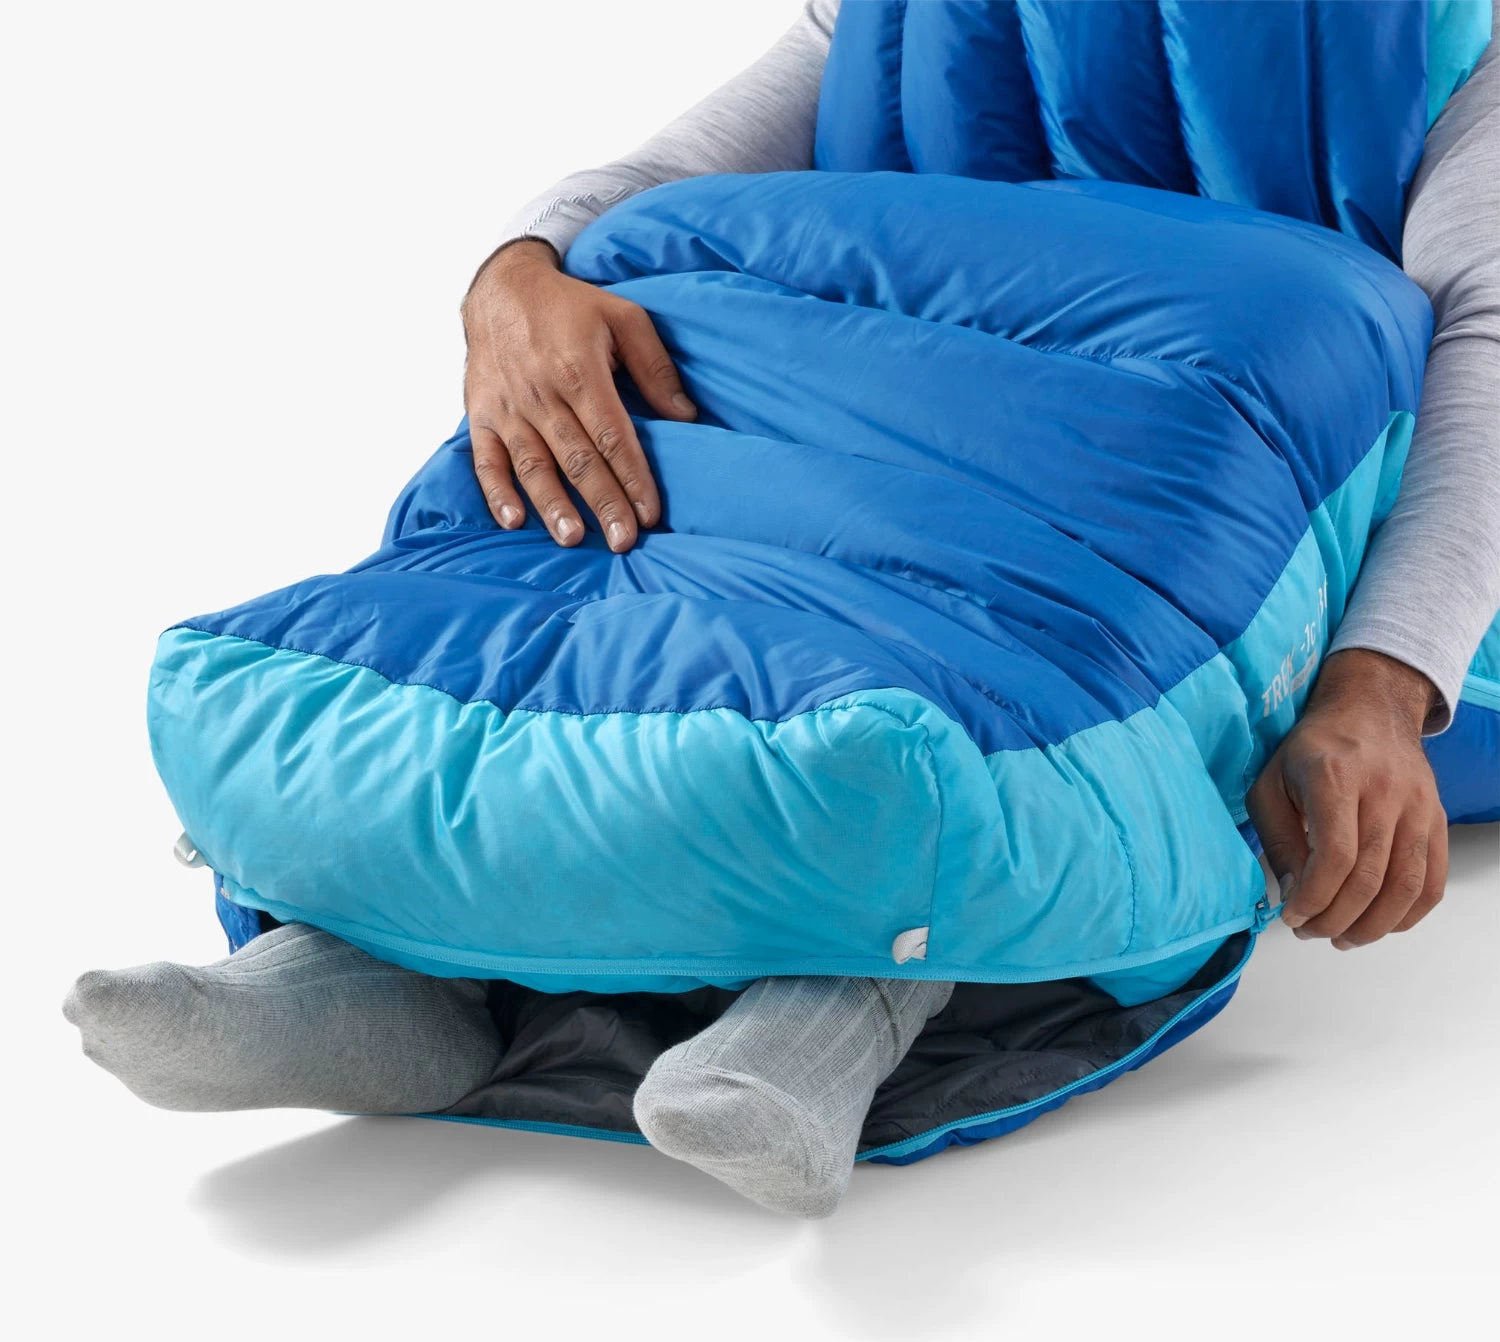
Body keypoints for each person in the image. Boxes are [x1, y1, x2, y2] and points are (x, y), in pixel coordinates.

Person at [65, 2, 1500, 1217]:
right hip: (854, 453)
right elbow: (668, 175)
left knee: (956, 725)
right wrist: (519, 274)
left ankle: (833, 1018)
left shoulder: (1447, 51)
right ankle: (369, 961)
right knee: (616, 590)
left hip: (1261, 526)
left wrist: (1381, 686)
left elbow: (1481, 353)